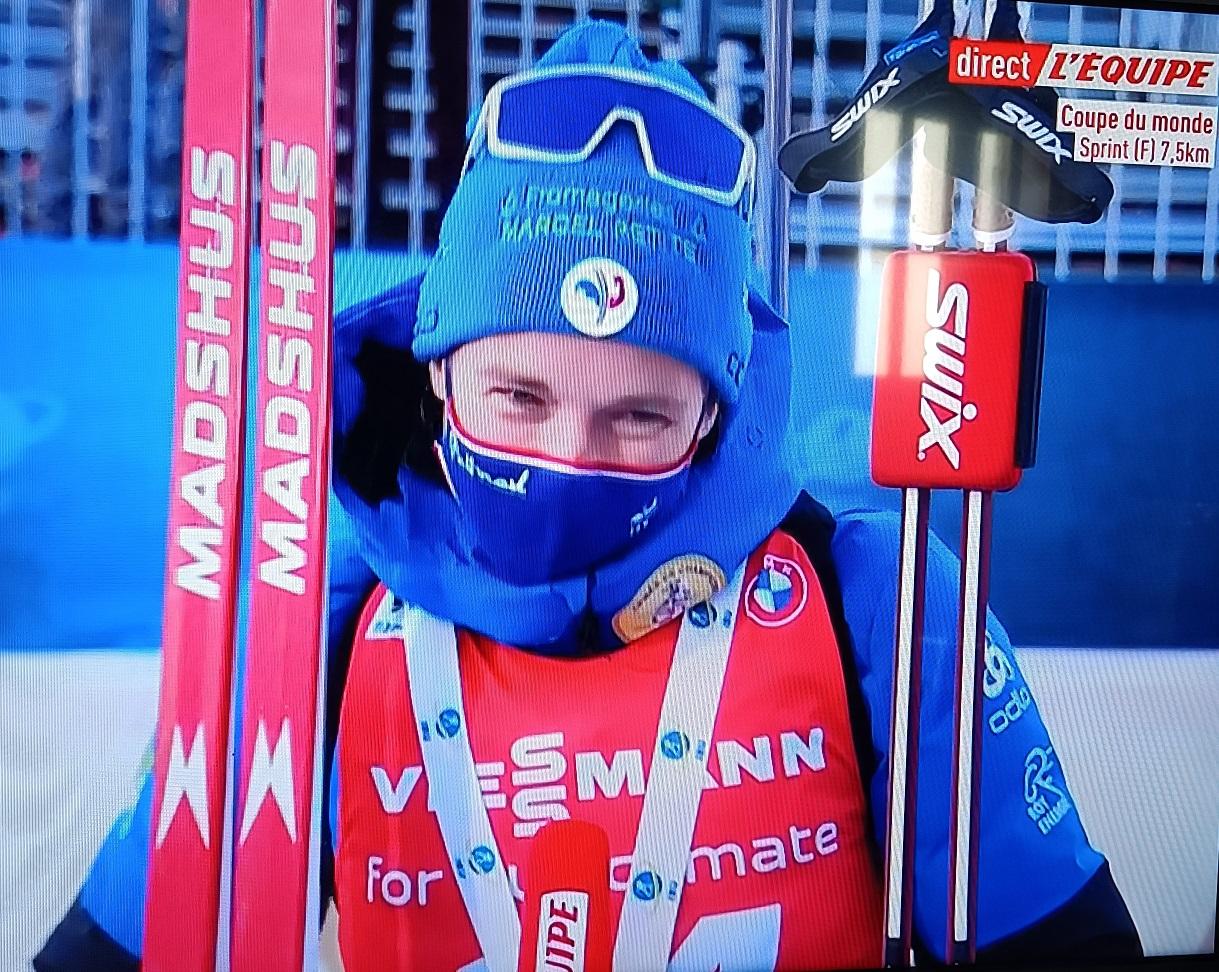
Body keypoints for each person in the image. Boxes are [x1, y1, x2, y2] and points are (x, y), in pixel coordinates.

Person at [36, 20, 1142, 971]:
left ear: (713, 417)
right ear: (435, 368)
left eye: (640, 418)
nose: (570, 455)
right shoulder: (310, 631)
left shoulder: (874, 602)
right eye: (517, 395)